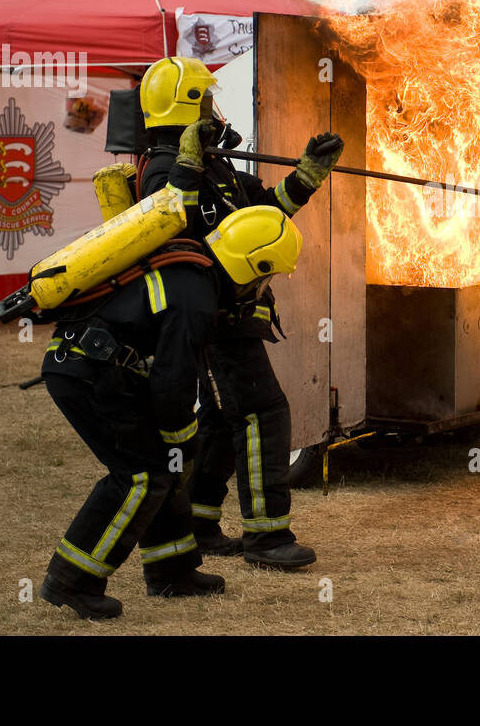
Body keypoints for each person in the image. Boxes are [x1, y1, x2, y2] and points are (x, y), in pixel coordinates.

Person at [39, 118, 304, 618]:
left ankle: (172, 570)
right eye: (265, 281)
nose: (262, 294)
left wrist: (179, 439)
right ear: (252, 268)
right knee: (140, 475)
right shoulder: (197, 298)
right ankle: (71, 579)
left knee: (165, 464)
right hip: (88, 373)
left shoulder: (193, 269)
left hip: (101, 366)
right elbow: (174, 381)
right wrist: (182, 430)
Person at [137, 56, 343, 570]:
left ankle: (200, 523)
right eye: (205, 97)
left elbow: (267, 210)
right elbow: (167, 227)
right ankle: (268, 538)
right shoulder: (165, 168)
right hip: (213, 318)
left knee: (221, 419)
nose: (214, 104)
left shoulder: (216, 164)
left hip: (233, 311)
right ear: (186, 106)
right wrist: (186, 165)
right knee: (262, 414)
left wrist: (308, 175)